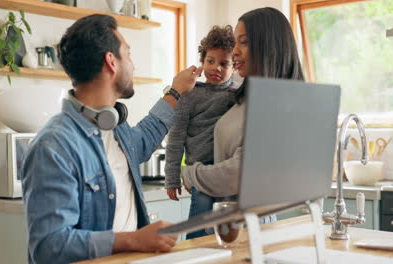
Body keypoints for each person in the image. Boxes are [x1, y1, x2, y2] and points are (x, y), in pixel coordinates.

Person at [20, 14, 202, 263]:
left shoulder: (115, 126)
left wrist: (176, 92)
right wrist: (133, 239)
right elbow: (49, 246)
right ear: (111, 62)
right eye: (127, 53)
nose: (133, 64)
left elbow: (144, 139)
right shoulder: (52, 146)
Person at [179, 8, 305, 222]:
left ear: (268, 47)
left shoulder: (278, 103)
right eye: (236, 42)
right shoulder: (245, 96)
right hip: (227, 219)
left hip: (250, 224)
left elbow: (241, 174)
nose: (235, 51)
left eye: (244, 42)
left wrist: (190, 173)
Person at [164, 25, 239, 239]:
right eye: (210, 61)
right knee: (199, 225)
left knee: (225, 233)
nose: (216, 67)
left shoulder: (237, 96)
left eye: (224, 63)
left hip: (227, 168)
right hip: (200, 170)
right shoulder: (189, 94)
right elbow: (176, 137)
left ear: (234, 67)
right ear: (201, 63)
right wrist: (172, 178)